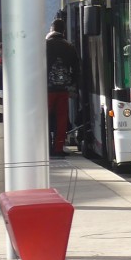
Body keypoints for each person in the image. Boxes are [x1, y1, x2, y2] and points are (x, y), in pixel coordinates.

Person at [46, 18, 80, 156]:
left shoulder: (44, 45)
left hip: (46, 90)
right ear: (63, 31)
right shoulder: (69, 46)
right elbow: (77, 68)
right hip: (62, 90)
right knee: (61, 118)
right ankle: (58, 147)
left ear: (51, 29)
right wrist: (71, 83)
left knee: (45, 118)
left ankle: (45, 145)